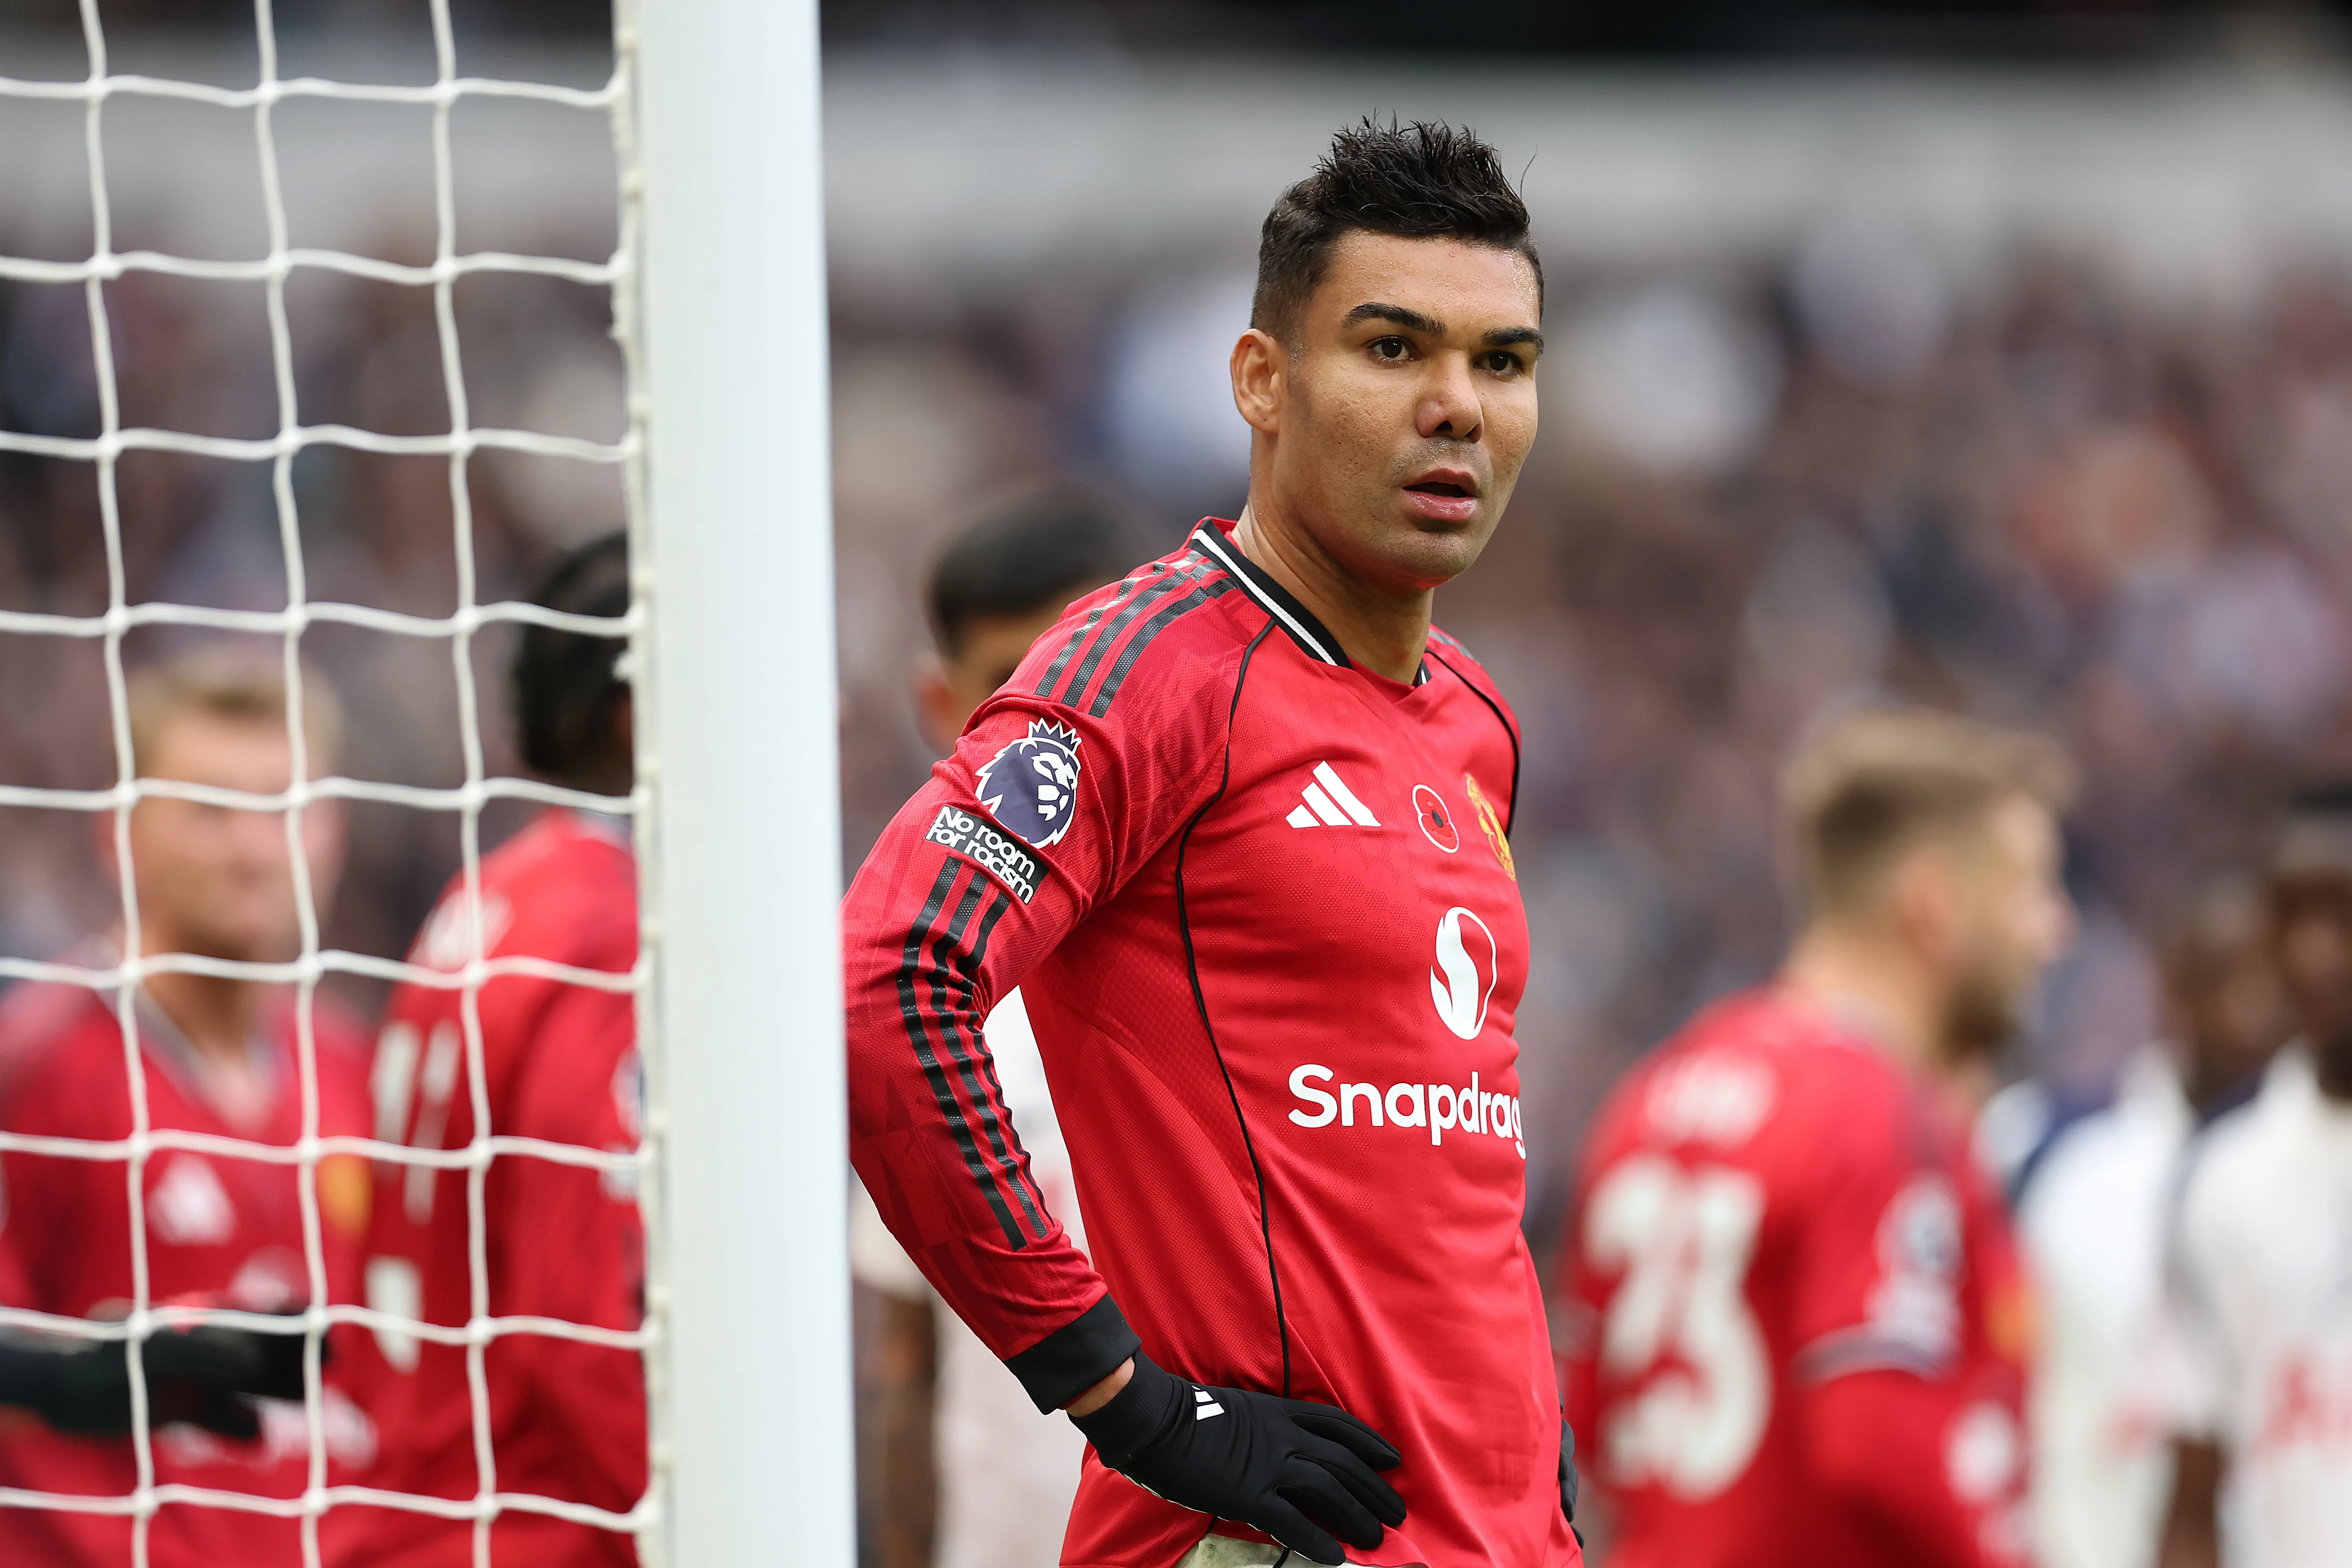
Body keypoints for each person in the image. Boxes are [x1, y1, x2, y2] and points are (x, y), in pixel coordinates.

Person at [841, 119, 1579, 1567]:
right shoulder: (1153, 667)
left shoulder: (1476, 720)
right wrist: (1128, 1403)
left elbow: (1442, 1166)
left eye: (1502, 363)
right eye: (1392, 349)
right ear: (1262, 382)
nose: (1458, 407)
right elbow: (890, 982)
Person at [1561, 707, 2075, 1568]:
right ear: (1933, 905)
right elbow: (1879, 1442)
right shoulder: (1876, 1109)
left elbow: (1583, 1416)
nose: (2053, 929)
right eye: (2029, 889)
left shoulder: (1650, 1094)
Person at [0, 647, 375, 1567]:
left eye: (282, 808)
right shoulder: (38, 1068)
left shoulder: (350, 1067)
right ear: (119, 835)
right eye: (211, 809)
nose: (253, 850)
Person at [325, 534, 645, 1568]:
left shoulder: (491, 896)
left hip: (414, 1490)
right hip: (534, 1526)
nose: (832, 715)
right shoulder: (616, 933)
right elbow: (578, 1307)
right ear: (642, 713)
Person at [850, 491, 1134, 1568]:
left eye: (1090, 675)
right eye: (1020, 686)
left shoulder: (1251, 962)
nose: (1061, 727)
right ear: (941, 704)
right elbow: (907, 1362)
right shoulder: (920, 1001)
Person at [2016, 877, 2285, 1568]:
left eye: (2267, 978)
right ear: (2175, 988)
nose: (2254, 1006)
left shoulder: (2317, 1175)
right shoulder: (2069, 1174)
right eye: (2225, 977)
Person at [2153, 784, 2352, 1568]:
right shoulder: (2222, 1175)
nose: (2315, 953)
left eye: (2343, 915)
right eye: (2290, 918)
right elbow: (2193, 1499)